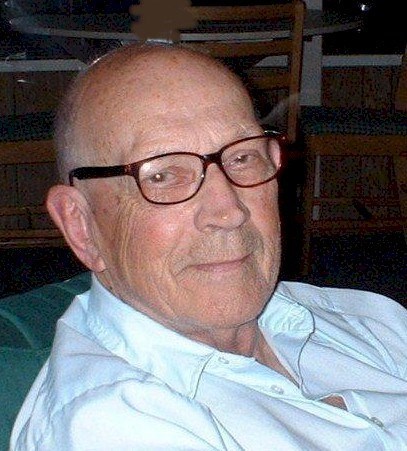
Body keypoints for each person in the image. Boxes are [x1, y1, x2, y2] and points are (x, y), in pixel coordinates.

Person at [11, 43, 407, 450]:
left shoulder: (357, 320)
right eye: (162, 175)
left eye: (242, 158)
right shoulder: (113, 425)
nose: (229, 210)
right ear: (81, 226)